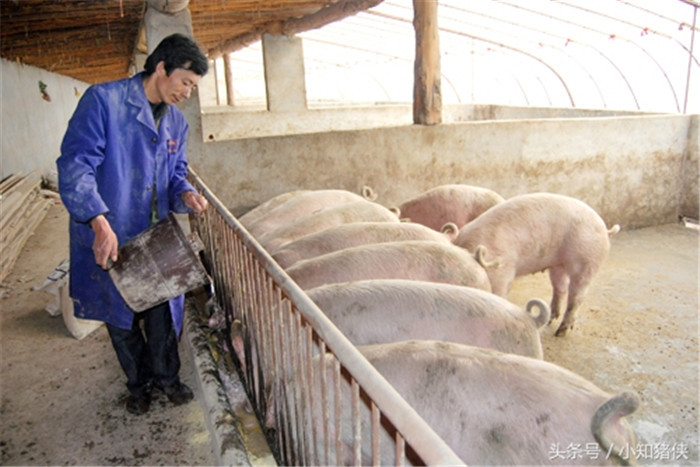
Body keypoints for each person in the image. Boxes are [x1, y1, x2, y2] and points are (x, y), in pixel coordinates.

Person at [57, 33, 209, 415]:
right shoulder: (103, 102)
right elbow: (77, 166)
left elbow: (175, 173)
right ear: (161, 68)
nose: (187, 93)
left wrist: (186, 193)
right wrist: (97, 219)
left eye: (193, 86)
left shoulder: (176, 123)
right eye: (186, 82)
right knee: (121, 319)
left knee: (161, 313)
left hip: (155, 237)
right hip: (113, 233)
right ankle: (137, 385)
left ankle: (167, 379)